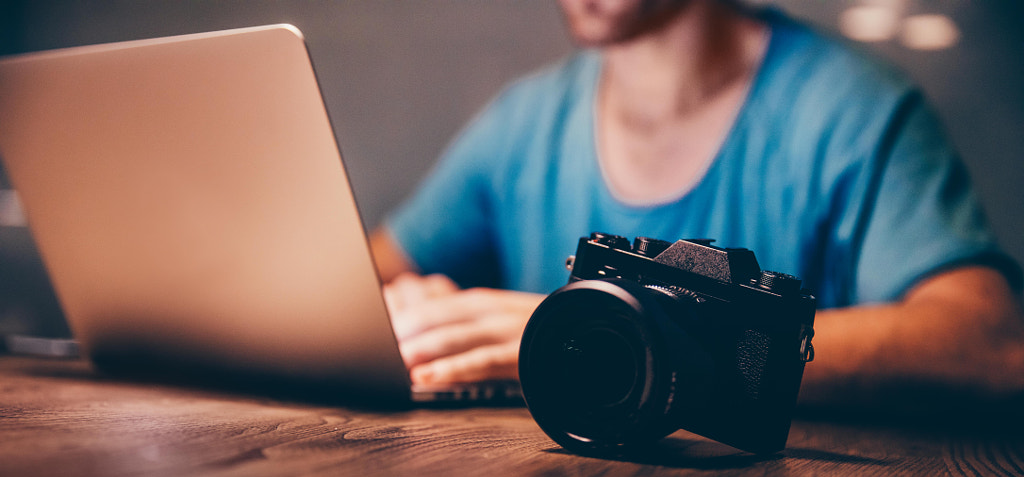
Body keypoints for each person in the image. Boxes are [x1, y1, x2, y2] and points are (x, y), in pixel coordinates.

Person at [371, 0, 1024, 410]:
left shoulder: (856, 112)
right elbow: (368, 273)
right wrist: (405, 310)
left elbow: (990, 344)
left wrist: (639, 335)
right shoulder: (521, 122)